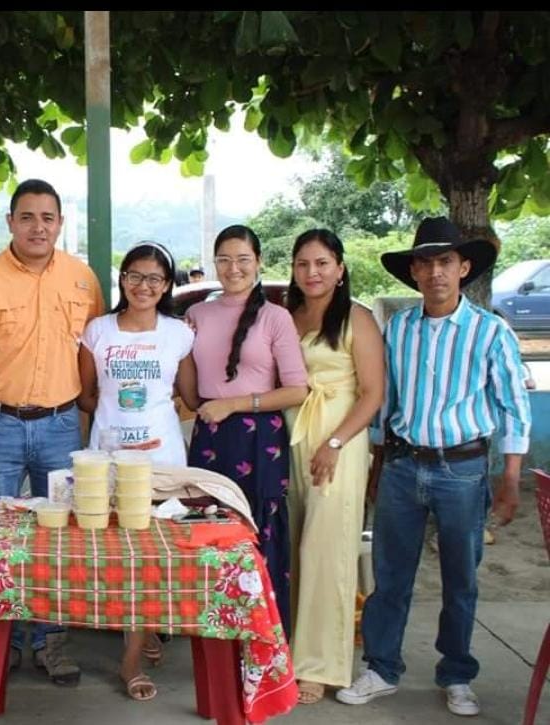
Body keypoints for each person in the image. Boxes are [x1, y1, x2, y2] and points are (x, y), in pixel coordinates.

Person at [337, 217, 531, 718]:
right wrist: (378, 461)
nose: (435, 272)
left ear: (463, 268)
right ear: (414, 273)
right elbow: (387, 402)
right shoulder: (400, 328)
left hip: (463, 470)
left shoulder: (490, 331)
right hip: (403, 466)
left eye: (445, 261)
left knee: (460, 579)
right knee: (390, 575)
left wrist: (510, 478)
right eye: (425, 263)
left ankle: (457, 674)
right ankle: (381, 668)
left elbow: (513, 407)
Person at [0, 178, 105, 686]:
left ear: (60, 223)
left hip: (62, 426)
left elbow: (95, 353)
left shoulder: (82, 279)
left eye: (48, 218)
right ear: (10, 222)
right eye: (27, 217)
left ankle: (49, 641)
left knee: (58, 540)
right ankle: (2, 643)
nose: (38, 227)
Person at [77, 240, 195, 701]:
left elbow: (189, 395)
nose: (143, 285)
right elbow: (87, 396)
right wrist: (115, 428)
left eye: (154, 278)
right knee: (116, 553)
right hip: (108, 458)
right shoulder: (98, 330)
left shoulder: (179, 334)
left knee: (151, 554)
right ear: (123, 279)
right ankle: (140, 631)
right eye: (134, 276)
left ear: (166, 286)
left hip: (161, 457)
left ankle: (130, 659)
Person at [185, 224, 309, 636]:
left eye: (242, 259)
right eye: (224, 259)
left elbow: (297, 390)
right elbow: (190, 389)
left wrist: (234, 404)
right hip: (210, 436)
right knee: (208, 531)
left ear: (258, 262)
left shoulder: (276, 317)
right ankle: (214, 636)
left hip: (259, 440)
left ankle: (263, 638)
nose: (233, 268)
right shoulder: (197, 314)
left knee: (259, 535)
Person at [283, 229, 384, 705]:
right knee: (294, 548)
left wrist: (336, 442)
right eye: (303, 264)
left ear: (340, 269)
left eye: (322, 263)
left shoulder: (356, 318)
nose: (312, 272)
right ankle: (291, 651)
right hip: (293, 438)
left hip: (337, 442)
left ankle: (321, 665)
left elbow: (373, 393)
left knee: (326, 551)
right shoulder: (289, 315)